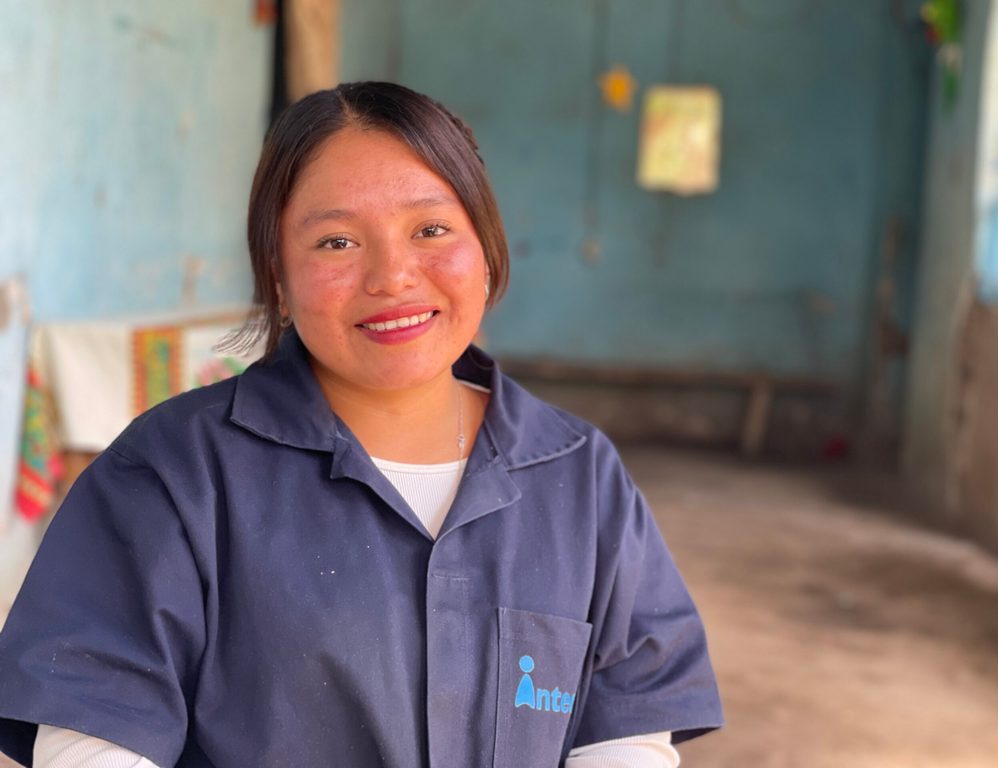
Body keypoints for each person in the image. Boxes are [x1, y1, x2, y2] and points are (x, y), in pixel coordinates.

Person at [0, 82, 722, 767]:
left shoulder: (577, 473)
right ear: (277, 274)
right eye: (337, 242)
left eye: (431, 228)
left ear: (487, 246)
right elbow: (93, 732)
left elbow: (626, 727)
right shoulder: (171, 474)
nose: (393, 276)